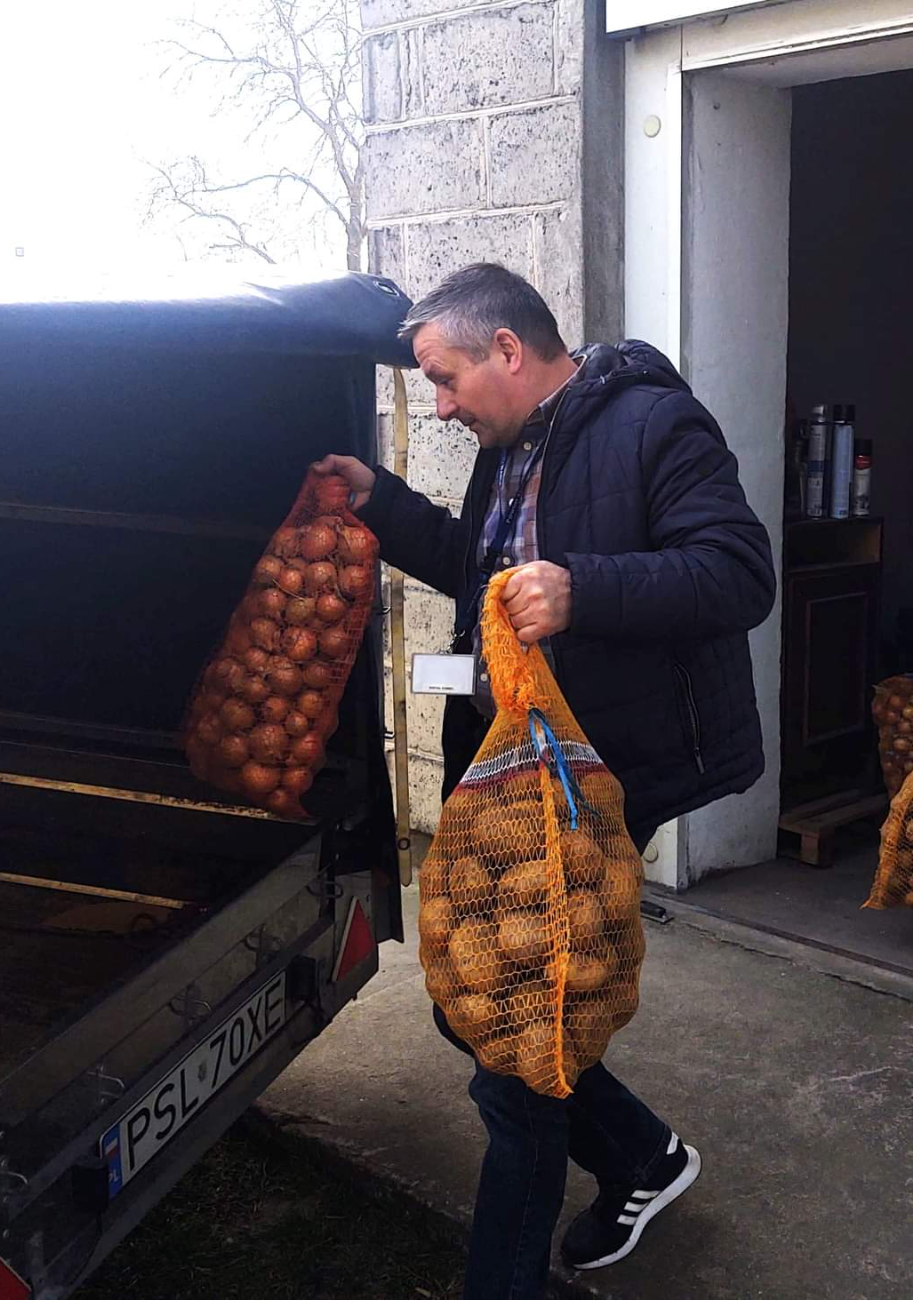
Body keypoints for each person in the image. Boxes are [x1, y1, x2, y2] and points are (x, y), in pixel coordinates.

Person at [312, 262, 775, 1299]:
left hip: (606, 771)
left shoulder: (655, 423)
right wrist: (382, 503)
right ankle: (643, 1156)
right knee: (473, 1002)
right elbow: (482, 574)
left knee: (519, 1049)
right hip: (520, 776)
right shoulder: (509, 446)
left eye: (444, 378)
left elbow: (741, 572)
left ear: (509, 351)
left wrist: (583, 590)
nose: (439, 405)